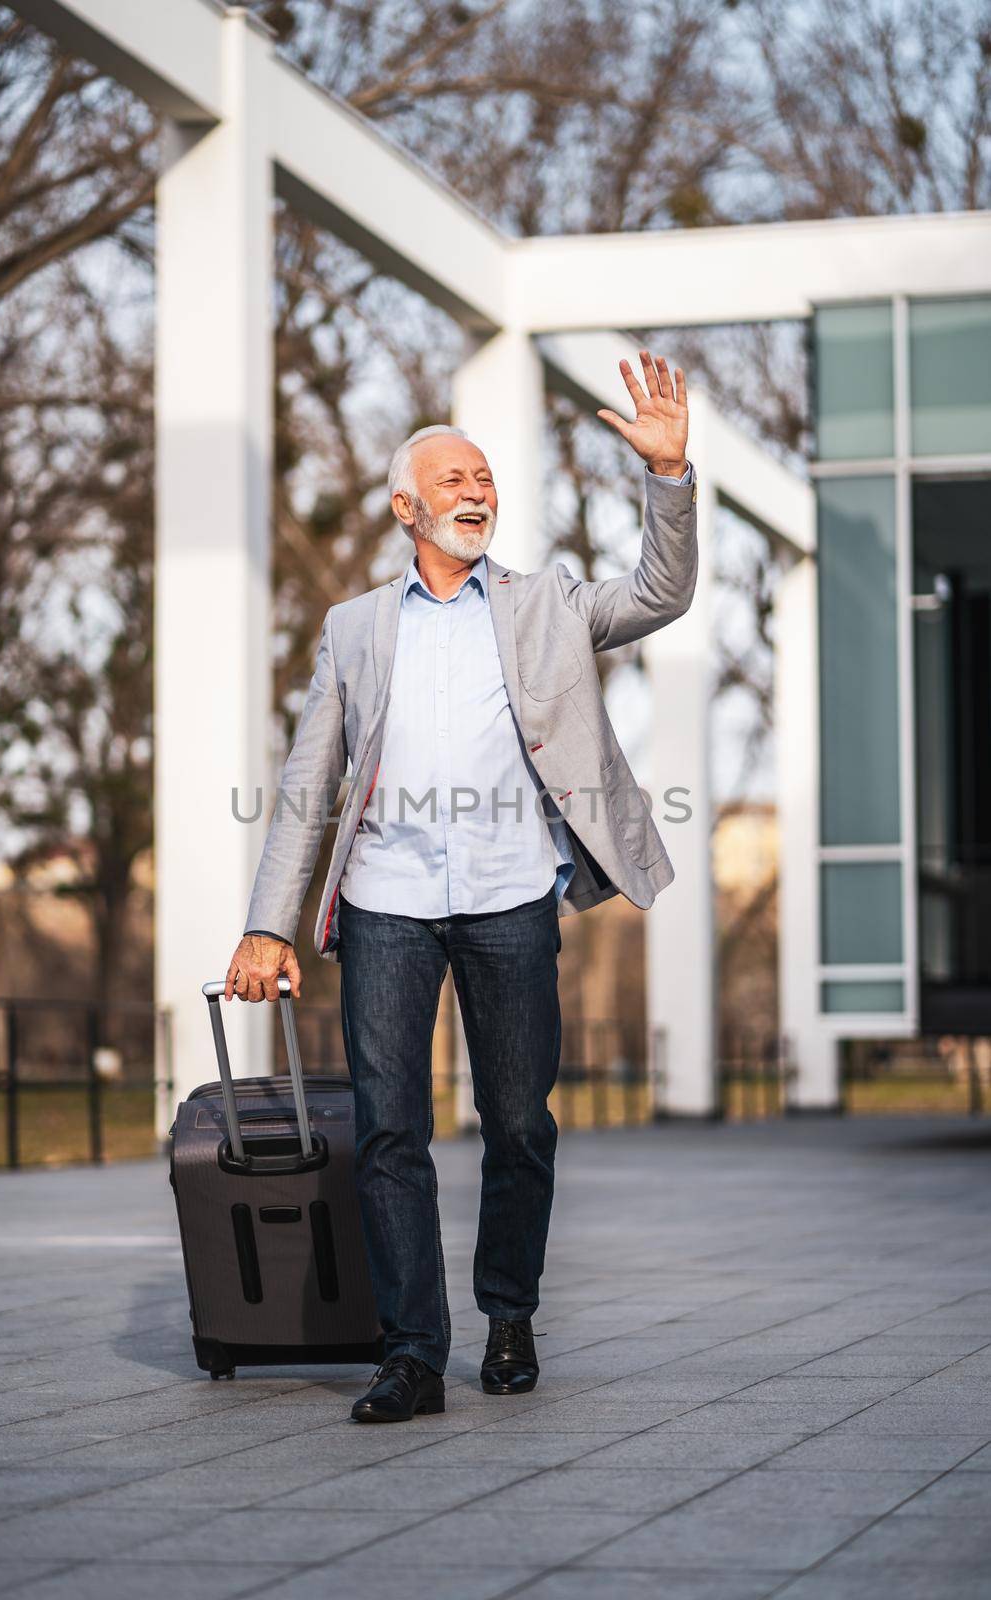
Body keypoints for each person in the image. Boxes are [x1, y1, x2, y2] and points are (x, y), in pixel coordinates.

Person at [225, 350, 697, 1422]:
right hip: (386, 899)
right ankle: (409, 1352)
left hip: (509, 892)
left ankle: (510, 1312)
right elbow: (308, 780)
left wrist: (667, 477)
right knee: (390, 1128)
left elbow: (661, 591)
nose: (476, 492)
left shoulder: (549, 604)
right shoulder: (354, 627)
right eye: (453, 480)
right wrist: (267, 925)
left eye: (485, 478)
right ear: (405, 506)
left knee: (519, 1122)